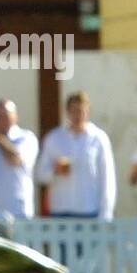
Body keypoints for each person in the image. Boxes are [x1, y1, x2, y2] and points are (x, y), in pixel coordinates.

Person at [36, 91, 117, 220]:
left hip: (89, 210)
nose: (77, 115)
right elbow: (41, 174)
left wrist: (106, 212)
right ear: (67, 112)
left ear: (88, 112)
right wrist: (55, 170)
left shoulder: (99, 138)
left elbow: (107, 177)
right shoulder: (54, 138)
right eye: (74, 111)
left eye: (81, 111)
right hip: (61, 210)